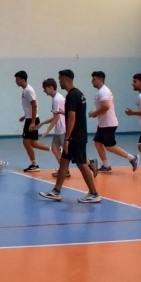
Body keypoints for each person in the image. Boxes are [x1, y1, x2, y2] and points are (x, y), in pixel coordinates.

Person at [39, 70, 101, 203]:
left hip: (76, 136)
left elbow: (72, 118)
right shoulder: (79, 94)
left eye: (60, 79)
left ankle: (94, 193)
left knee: (82, 164)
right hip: (78, 134)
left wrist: (67, 138)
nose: (59, 82)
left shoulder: (72, 95)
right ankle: (56, 191)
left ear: (65, 79)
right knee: (64, 162)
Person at [88, 71, 139, 173]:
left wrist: (94, 113)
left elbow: (106, 106)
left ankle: (133, 158)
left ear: (100, 79)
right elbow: (107, 105)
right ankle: (106, 166)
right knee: (98, 143)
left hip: (108, 124)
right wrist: (96, 113)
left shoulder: (103, 92)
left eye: (93, 79)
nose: (92, 81)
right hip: (103, 123)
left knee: (109, 146)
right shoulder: (103, 91)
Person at [15, 71, 50, 171]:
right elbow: (30, 107)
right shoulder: (25, 90)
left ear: (22, 79)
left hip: (31, 120)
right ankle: (55, 150)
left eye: (17, 79)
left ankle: (34, 165)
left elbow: (34, 105)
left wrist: (33, 122)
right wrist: (25, 116)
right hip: (29, 118)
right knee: (34, 144)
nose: (16, 81)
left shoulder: (28, 91)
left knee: (26, 142)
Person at [30, 79, 67, 177]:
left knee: (70, 152)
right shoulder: (55, 98)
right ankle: (64, 170)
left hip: (63, 129)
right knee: (55, 149)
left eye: (45, 88)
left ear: (51, 87)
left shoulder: (57, 99)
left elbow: (56, 118)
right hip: (59, 129)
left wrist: (47, 130)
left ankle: (89, 162)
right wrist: (42, 124)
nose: (44, 90)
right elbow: (55, 116)